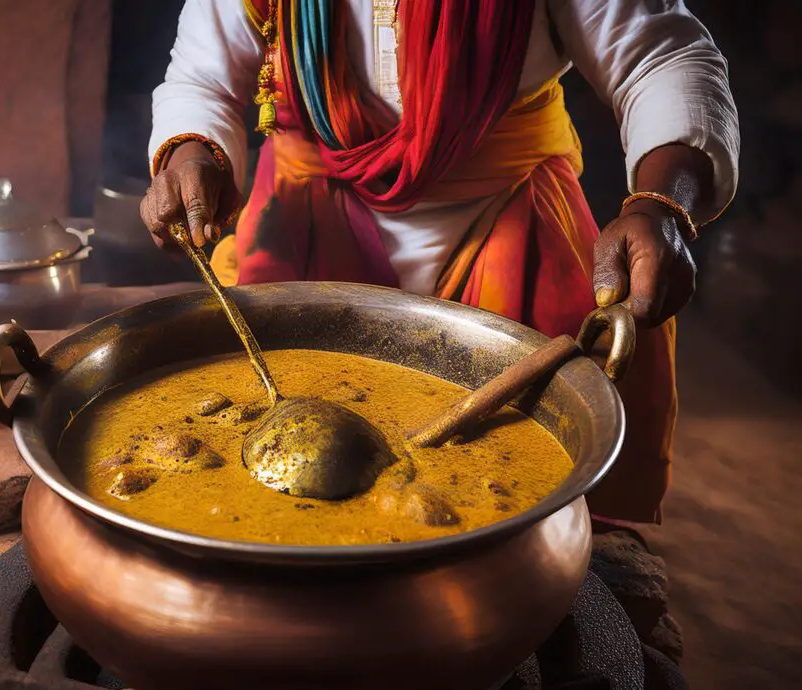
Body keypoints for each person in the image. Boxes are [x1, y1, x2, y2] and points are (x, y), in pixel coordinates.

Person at [140, 0, 739, 537]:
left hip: (507, 217)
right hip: (307, 222)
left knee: (545, 482)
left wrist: (664, 205)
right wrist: (191, 152)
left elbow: (660, 56)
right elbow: (203, 79)